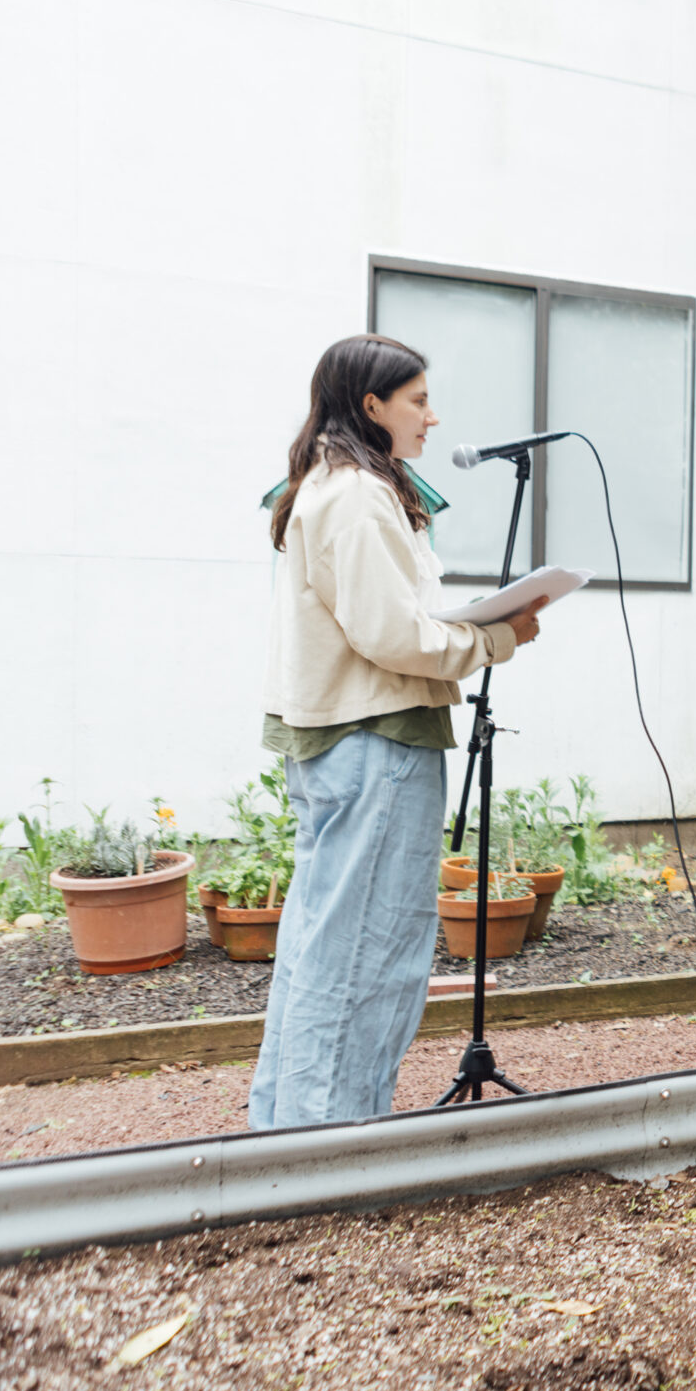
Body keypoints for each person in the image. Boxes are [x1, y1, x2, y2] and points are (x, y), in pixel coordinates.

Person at [255, 336, 548, 1130]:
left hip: (342, 744)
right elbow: (394, 635)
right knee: (365, 957)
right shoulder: (356, 494)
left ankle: (288, 1135)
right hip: (376, 742)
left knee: (322, 949)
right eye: (418, 399)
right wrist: (496, 637)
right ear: (372, 405)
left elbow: (384, 622)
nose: (432, 414)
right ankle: (332, 1146)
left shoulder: (330, 483)